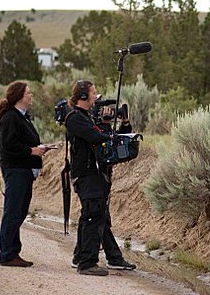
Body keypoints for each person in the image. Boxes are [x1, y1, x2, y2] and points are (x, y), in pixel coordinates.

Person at [65, 80, 136, 276]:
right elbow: (96, 138)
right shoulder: (75, 118)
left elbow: (107, 141)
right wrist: (106, 133)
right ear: (83, 96)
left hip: (95, 175)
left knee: (94, 215)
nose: (96, 97)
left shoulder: (87, 118)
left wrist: (123, 125)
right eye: (93, 93)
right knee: (92, 215)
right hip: (87, 175)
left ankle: (83, 257)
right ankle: (87, 263)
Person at [0, 81, 47, 267]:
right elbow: (8, 145)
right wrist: (31, 151)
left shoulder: (22, 117)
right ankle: (7, 254)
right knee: (13, 212)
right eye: (28, 93)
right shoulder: (10, 118)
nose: (31, 95)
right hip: (16, 170)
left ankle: (12, 252)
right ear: (19, 97)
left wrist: (38, 149)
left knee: (20, 211)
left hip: (24, 171)